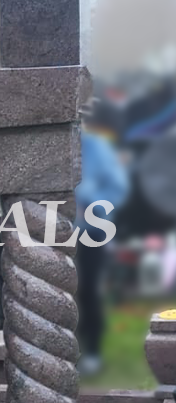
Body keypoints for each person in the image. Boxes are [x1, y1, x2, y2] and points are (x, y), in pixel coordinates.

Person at [75, 124, 130, 377]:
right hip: (43, 229)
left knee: (87, 291)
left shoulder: (95, 145)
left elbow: (117, 189)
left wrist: (92, 200)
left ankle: (91, 353)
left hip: (90, 231)